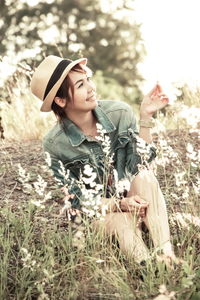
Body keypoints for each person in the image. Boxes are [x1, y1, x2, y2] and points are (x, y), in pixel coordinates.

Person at [30, 55, 176, 264]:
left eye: (88, 79)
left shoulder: (119, 113)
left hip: (137, 203)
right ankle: (148, 267)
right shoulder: (54, 144)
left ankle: (167, 255)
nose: (91, 87)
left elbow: (141, 164)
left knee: (145, 177)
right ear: (61, 101)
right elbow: (77, 200)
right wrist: (118, 204)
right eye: (81, 85)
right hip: (101, 216)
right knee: (119, 221)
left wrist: (145, 117)